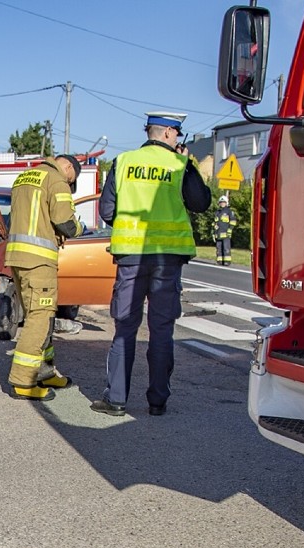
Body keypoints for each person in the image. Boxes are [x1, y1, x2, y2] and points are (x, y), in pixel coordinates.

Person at [92, 111, 211, 417]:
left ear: (151, 132)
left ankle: (116, 399)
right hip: (168, 259)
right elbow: (200, 203)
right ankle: (157, 402)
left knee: (124, 330)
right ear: (170, 134)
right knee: (161, 331)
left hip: (131, 258)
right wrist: (189, 166)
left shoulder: (124, 162)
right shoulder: (179, 165)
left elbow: (107, 210)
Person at [5, 155, 85, 401]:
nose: (69, 184)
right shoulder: (56, 180)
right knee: (40, 318)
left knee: (39, 317)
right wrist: (80, 228)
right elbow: (65, 223)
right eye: (72, 180)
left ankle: (45, 371)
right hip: (39, 260)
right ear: (69, 168)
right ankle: (23, 381)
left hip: (18, 257)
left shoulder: (24, 177)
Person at [213, 195, 237, 266]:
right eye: (221, 202)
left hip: (226, 234)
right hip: (218, 234)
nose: (222, 203)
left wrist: (230, 230)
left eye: (223, 202)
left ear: (227, 203)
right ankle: (220, 261)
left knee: (226, 248)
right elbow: (215, 222)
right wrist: (213, 232)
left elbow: (233, 221)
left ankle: (227, 262)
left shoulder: (229, 212)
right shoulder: (217, 212)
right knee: (218, 248)